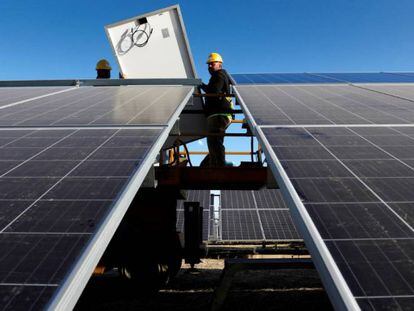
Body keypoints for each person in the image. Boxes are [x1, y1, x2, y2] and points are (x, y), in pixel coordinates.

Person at [200, 52, 234, 167]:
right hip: (219, 114)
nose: (209, 66)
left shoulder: (219, 74)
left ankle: (218, 166)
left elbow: (213, 91)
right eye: (208, 64)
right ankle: (213, 163)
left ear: (219, 64)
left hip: (219, 114)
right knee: (214, 141)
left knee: (214, 141)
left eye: (212, 63)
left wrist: (201, 85)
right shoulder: (220, 76)